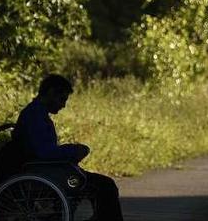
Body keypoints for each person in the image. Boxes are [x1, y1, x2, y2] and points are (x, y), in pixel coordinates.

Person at [10, 74, 123, 221]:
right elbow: (44, 152)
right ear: (50, 93)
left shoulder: (36, 113)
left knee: (102, 186)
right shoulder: (35, 116)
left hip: (47, 170)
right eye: (62, 99)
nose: (63, 105)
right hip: (45, 172)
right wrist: (73, 150)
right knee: (105, 186)